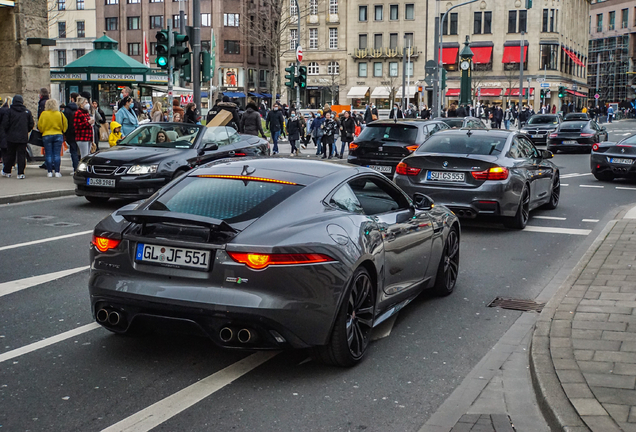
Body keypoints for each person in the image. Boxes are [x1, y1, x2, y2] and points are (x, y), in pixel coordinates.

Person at [1, 95, 34, 179]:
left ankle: (7, 171)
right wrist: (26, 131)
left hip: (11, 137)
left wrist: (8, 132)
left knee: (10, 155)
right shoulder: (27, 112)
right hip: (23, 137)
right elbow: (31, 124)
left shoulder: (9, 111)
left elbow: (5, 124)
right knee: (21, 155)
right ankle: (21, 173)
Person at [38, 98, 68, 178]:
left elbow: (40, 126)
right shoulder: (60, 114)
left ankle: (49, 172)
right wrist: (62, 131)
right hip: (58, 134)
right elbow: (65, 125)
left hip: (46, 135)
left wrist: (43, 131)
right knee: (57, 154)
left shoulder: (44, 114)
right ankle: (57, 171)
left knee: (48, 154)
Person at [0, 97, 9, 172]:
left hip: (2, 133)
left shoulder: (1, 110)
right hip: (12, 134)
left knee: (4, 150)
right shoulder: (12, 111)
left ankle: (6, 166)